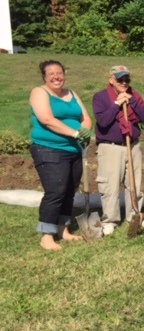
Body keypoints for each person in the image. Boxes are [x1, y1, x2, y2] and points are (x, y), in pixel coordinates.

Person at [29, 60, 93, 250]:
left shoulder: (71, 93)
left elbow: (85, 118)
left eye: (59, 73)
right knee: (55, 191)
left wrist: (85, 130)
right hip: (49, 149)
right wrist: (74, 133)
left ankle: (63, 229)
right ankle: (47, 236)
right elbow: (46, 119)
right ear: (44, 77)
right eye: (51, 74)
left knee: (69, 191)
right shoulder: (39, 92)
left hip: (74, 150)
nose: (56, 77)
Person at [93, 65, 144, 236]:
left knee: (134, 184)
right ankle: (110, 220)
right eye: (120, 79)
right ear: (111, 80)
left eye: (127, 79)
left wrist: (131, 101)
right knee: (110, 186)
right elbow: (103, 121)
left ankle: (134, 215)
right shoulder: (101, 97)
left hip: (132, 146)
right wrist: (117, 104)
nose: (124, 83)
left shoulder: (134, 95)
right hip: (111, 147)